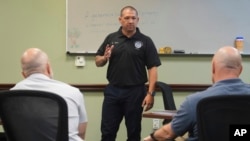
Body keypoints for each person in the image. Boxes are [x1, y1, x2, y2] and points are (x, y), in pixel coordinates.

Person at [143, 46, 250, 141]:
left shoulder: (196, 101)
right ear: (240, 70)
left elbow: (167, 134)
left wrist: (150, 138)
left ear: (213, 67)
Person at [95, 6, 161, 141]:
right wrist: (104, 58)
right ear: (120, 20)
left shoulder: (145, 41)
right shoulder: (111, 38)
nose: (130, 21)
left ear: (138, 20)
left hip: (135, 92)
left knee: (133, 132)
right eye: (126, 18)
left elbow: (152, 68)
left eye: (133, 18)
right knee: (107, 132)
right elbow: (98, 62)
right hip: (113, 91)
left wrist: (150, 93)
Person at [11, 48, 88, 141]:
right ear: (48, 68)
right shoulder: (73, 92)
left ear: (23, 74)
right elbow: (81, 132)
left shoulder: (12, 95)